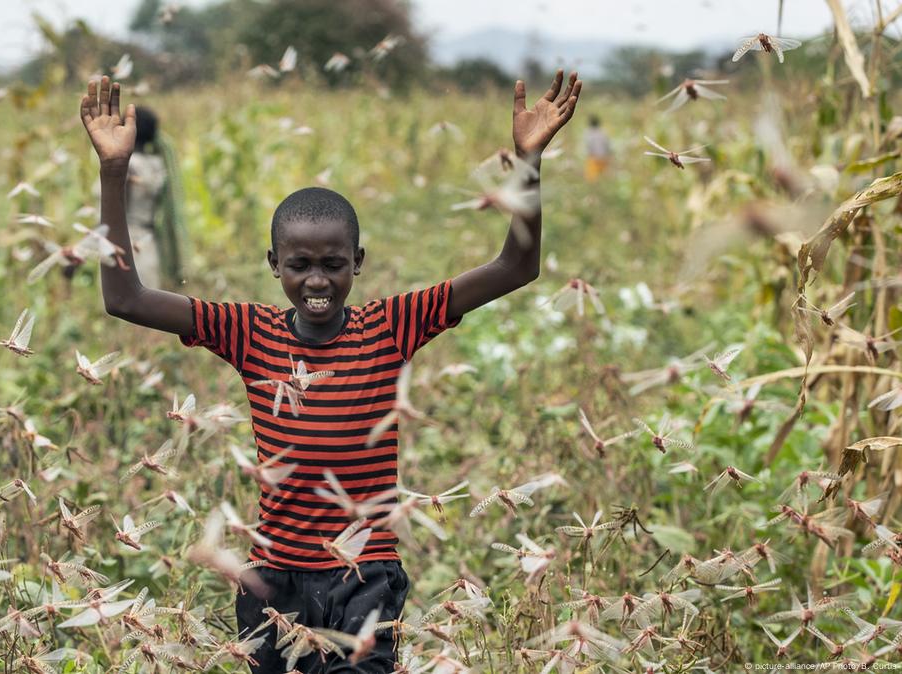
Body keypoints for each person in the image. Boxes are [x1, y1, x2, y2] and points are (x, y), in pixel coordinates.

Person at [80, 70, 581, 672]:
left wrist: (528, 162)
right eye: (300, 265)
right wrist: (113, 173)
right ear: (274, 265)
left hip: (365, 576)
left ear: (358, 263)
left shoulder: (394, 324)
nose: (317, 281)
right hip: (274, 583)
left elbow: (516, 266)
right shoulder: (248, 332)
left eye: (333, 264)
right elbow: (125, 298)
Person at [125, 105, 186, 289]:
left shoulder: (126, 166)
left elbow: (114, 213)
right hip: (148, 244)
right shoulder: (157, 164)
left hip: (126, 244)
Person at [583, 114, 610, 183]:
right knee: (603, 178)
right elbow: (607, 145)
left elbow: (588, 146)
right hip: (603, 157)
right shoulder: (603, 132)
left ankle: (595, 190)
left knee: (593, 179)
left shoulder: (588, 132)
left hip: (593, 158)